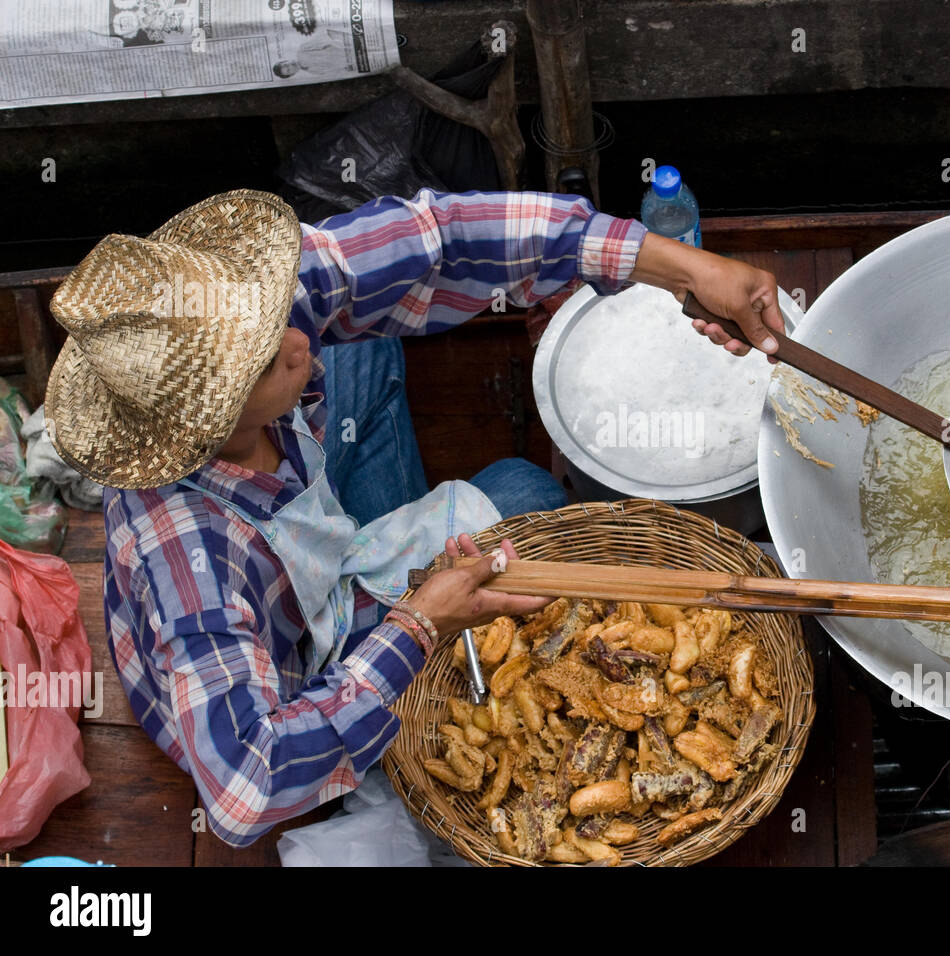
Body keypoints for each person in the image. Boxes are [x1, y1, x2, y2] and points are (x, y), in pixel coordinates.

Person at [44, 187, 784, 846]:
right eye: (272, 361)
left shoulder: (246, 303)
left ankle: (391, 530)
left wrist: (680, 268)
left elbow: (441, 236)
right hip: (284, 644)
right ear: (208, 423)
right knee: (526, 493)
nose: (299, 338)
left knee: (366, 344)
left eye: (279, 320)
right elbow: (246, 789)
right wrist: (421, 622)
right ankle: (399, 569)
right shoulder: (185, 558)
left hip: (306, 513)